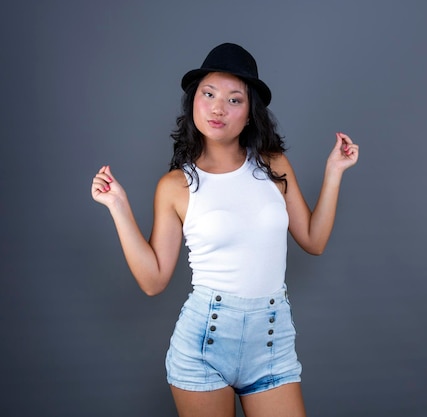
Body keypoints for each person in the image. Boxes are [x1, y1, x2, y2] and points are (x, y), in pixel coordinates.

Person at [91, 42, 359, 417]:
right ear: (194, 103)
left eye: (235, 100)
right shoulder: (175, 186)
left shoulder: (272, 164)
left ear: (250, 113)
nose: (218, 108)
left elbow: (313, 241)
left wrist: (334, 173)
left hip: (271, 339)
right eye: (209, 94)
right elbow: (153, 281)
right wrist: (118, 207)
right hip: (205, 340)